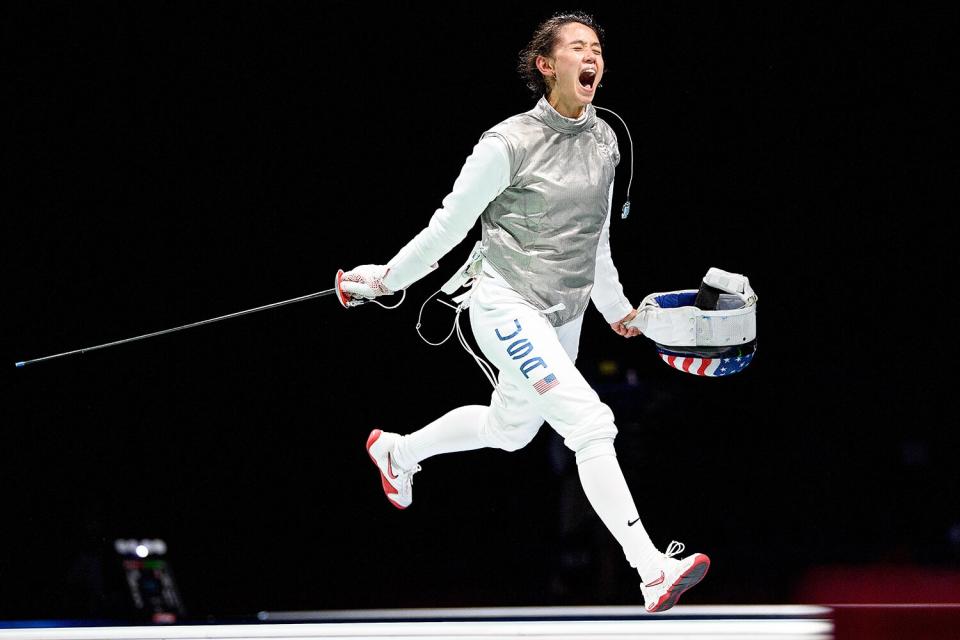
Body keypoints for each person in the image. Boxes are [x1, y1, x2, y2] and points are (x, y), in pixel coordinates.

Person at [339, 11, 709, 613]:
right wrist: (386, 280)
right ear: (545, 64)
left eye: (597, 48)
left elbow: (596, 239)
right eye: (577, 48)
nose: (592, 57)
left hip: (564, 315)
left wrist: (614, 307)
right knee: (591, 425)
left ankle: (397, 452)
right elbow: (447, 229)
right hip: (505, 303)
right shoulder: (506, 142)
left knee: (510, 431)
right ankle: (651, 567)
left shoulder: (607, 140)